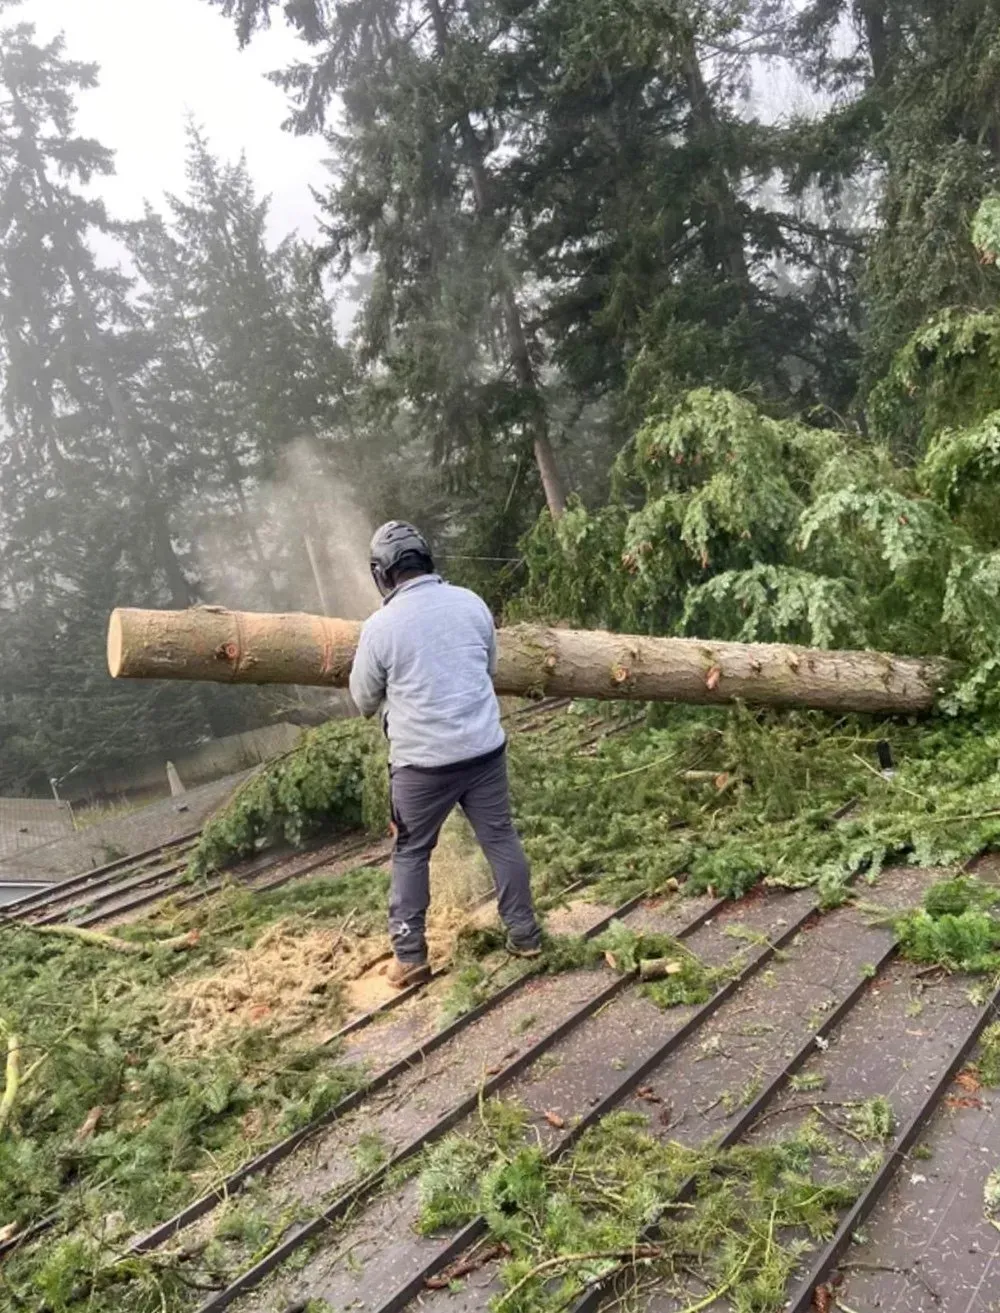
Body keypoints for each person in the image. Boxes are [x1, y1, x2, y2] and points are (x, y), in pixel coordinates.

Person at [349, 521, 543, 988]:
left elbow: (363, 700)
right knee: (500, 837)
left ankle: (411, 956)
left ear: (382, 574)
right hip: (483, 750)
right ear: (426, 559)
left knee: (412, 851)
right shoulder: (471, 603)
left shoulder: (379, 628)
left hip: (421, 766)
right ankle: (525, 934)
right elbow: (489, 667)